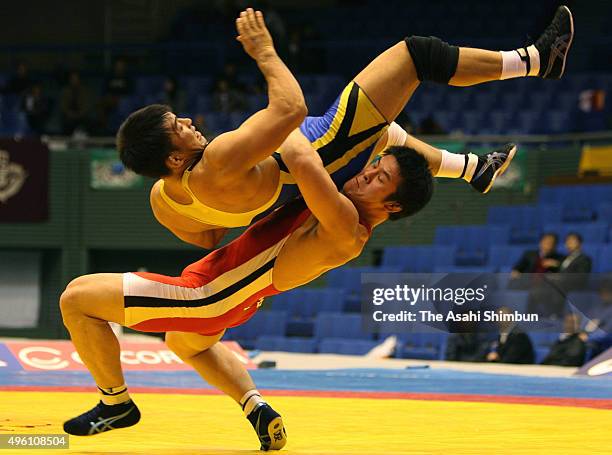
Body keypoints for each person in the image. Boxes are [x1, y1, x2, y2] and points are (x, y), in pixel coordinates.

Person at [117, 6, 574, 250]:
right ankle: (536, 61)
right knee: (414, 56)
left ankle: (474, 169)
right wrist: (264, 53)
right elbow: (291, 108)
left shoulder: (164, 201)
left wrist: (253, 204)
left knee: (382, 131)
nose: (191, 122)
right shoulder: (217, 160)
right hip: (318, 145)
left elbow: (210, 238)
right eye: (179, 127)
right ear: (174, 157)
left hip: (300, 172)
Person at [60, 71, 90, 135]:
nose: (74, 81)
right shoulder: (65, 91)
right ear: (69, 80)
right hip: (69, 116)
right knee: (67, 123)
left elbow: (86, 106)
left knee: (88, 122)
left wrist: (79, 114)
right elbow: (63, 106)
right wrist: (69, 113)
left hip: (81, 115)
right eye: (72, 79)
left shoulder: (84, 91)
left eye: (76, 79)